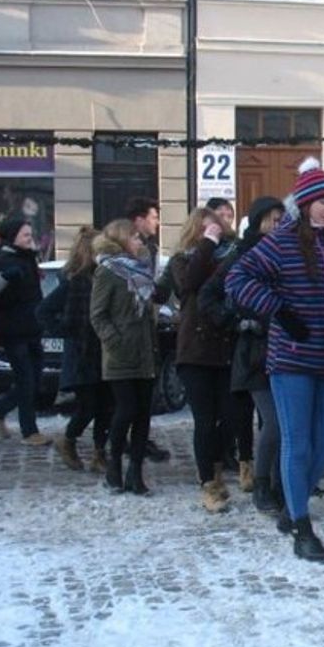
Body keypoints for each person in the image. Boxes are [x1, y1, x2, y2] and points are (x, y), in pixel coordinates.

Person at [227, 159, 324, 562]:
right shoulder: (280, 241)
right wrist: (279, 311)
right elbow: (238, 279)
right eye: (321, 201)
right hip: (292, 358)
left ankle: (292, 506)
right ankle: (300, 524)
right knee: (298, 442)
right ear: (305, 202)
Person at [201, 196, 286, 514]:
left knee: (285, 424)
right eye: (272, 219)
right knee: (274, 423)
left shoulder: (287, 251)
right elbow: (209, 295)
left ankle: (279, 484)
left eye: (282, 219)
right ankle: (262, 483)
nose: (278, 225)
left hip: (287, 348)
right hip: (255, 352)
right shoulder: (242, 253)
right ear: (259, 221)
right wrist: (236, 321)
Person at [171, 206, 239, 513]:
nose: (215, 234)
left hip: (224, 349)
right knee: (204, 420)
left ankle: (219, 469)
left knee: (230, 415)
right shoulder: (182, 261)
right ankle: (208, 483)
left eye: (217, 229)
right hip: (195, 351)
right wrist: (207, 245)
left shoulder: (227, 259)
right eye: (208, 230)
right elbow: (190, 284)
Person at [90, 219, 158, 494]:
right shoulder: (108, 271)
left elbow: (151, 303)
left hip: (145, 351)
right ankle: (113, 465)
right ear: (120, 240)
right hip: (120, 354)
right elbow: (98, 314)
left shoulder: (142, 269)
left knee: (143, 415)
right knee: (126, 410)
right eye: (134, 237)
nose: (140, 241)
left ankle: (135, 472)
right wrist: (114, 341)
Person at [40, 226, 112, 472]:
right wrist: (66, 331)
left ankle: (99, 453)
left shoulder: (103, 276)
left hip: (103, 351)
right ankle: (68, 440)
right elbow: (45, 311)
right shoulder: (76, 282)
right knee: (88, 406)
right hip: (83, 355)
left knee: (106, 406)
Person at [0, 216, 50, 446]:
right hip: (12, 329)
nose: (29, 238)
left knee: (35, 379)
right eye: (25, 235)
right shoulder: (1, 260)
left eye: (30, 234)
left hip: (32, 327)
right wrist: (4, 278)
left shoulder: (29, 258)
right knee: (25, 379)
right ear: (12, 237)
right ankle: (29, 431)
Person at [124, 196, 171, 464]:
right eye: (153, 217)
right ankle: (121, 442)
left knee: (145, 390)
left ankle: (139, 438)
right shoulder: (127, 246)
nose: (157, 222)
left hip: (146, 325)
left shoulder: (149, 248)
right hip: (130, 328)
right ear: (139, 220)